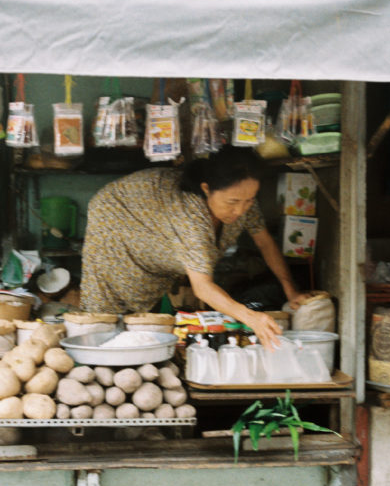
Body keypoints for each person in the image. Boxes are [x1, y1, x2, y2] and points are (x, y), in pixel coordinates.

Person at [80, 147, 309, 348]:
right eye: (232, 202)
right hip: (116, 215)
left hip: (153, 222)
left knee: (145, 312)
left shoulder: (241, 195)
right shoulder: (191, 215)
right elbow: (203, 288)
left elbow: (264, 241)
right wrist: (252, 317)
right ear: (207, 189)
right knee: (106, 316)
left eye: (249, 200)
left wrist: (290, 288)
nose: (240, 210)